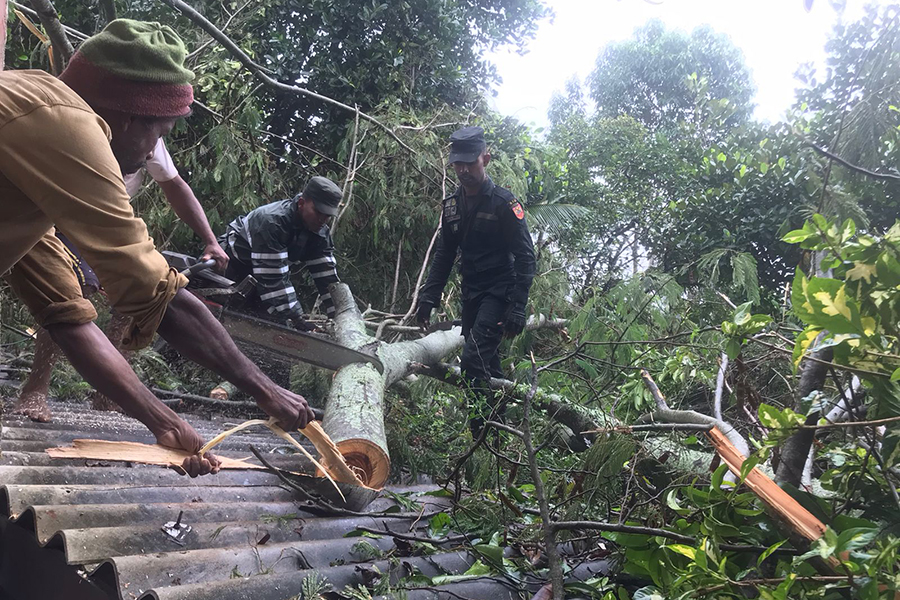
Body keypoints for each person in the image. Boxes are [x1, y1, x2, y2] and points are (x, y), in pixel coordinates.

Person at [0, 19, 315, 477]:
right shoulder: (64, 125)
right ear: (128, 117)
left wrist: (163, 421)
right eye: (160, 132)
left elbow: (65, 314)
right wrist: (265, 389)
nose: (154, 151)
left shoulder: (31, 139)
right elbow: (156, 295)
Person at [15, 133, 229, 423]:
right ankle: (35, 389)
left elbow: (175, 185)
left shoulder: (149, 133)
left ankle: (109, 394)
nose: (151, 145)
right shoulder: (84, 122)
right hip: (62, 211)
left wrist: (210, 240)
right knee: (74, 290)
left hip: (109, 217)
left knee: (138, 295)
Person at [416, 126, 536, 432]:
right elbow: (444, 255)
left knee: (472, 360)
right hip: (472, 295)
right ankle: (498, 436)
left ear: (486, 158)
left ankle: (481, 432)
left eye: (470, 162)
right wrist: (427, 299)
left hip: (499, 293)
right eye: (458, 163)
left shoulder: (504, 204)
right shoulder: (452, 206)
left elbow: (525, 257)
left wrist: (518, 307)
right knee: (489, 364)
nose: (464, 170)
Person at [218, 177, 342, 328]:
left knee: (271, 324)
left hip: (259, 278)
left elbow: (327, 279)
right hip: (230, 271)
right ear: (302, 203)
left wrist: (340, 316)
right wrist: (296, 318)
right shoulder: (272, 222)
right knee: (239, 322)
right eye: (318, 212)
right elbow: (273, 278)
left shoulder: (320, 234)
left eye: (328, 216)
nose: (322, 219)